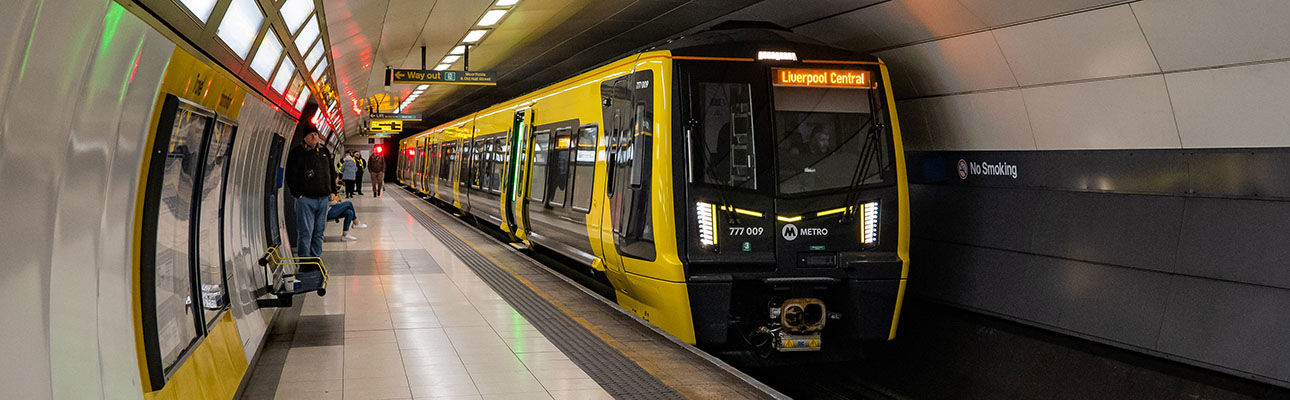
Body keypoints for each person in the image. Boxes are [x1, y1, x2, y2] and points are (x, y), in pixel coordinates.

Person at [285, 129, 336, 259]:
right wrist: (297, 194)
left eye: (316, 134)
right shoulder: (297, 153)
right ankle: (305, 261)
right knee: (305, 232)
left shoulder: (324, 151)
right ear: (305, 137)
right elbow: (291, 175)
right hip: (306, 199)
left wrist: (333, 191)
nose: (314, 136)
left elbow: (331, 171)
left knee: (319, 232)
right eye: (311, 134)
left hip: (323, 198)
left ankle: (315, 258)